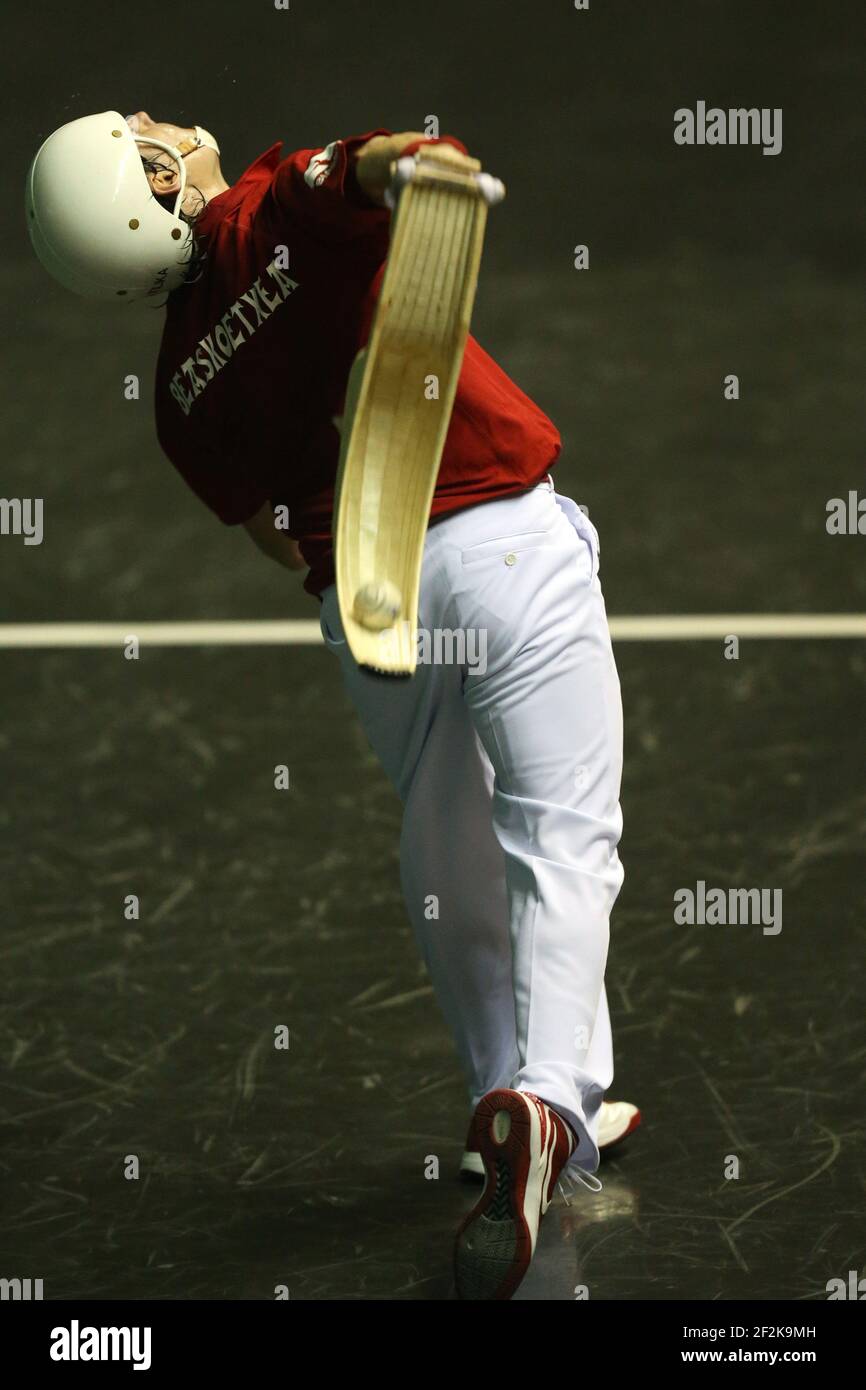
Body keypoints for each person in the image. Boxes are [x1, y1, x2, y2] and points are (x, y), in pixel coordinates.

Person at [26, 110, 640, 1299]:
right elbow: (349, 179)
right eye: (145, 131)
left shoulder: (178, 392)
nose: (167, 123)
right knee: (563, 833)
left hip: (369, 603)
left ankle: (498, 1096)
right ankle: (550, 1107)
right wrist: (406, 164)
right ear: (154, 179)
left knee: (445, 832)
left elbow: (269, 529)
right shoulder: (259, 213)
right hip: (501, 541)